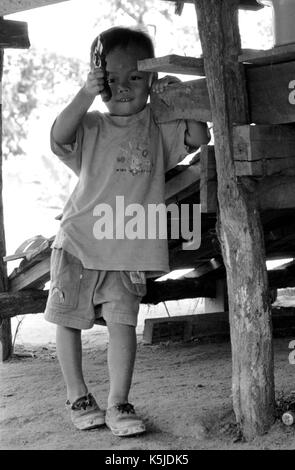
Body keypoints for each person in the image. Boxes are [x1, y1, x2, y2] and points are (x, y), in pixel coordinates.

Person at [44, 26, 210, 437]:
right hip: (80, 242)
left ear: (150, 80)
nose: (123, 87)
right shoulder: (92, 124)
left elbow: (198, 135)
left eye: (135, 77)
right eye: (111, 79)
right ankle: (78, 394)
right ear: (98, 81)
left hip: (129, 248)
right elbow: (57, 138)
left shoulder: (158, 124)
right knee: (67, 318)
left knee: (123, 323)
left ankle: (119, 402)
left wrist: (176, 95)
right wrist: (84, 94)